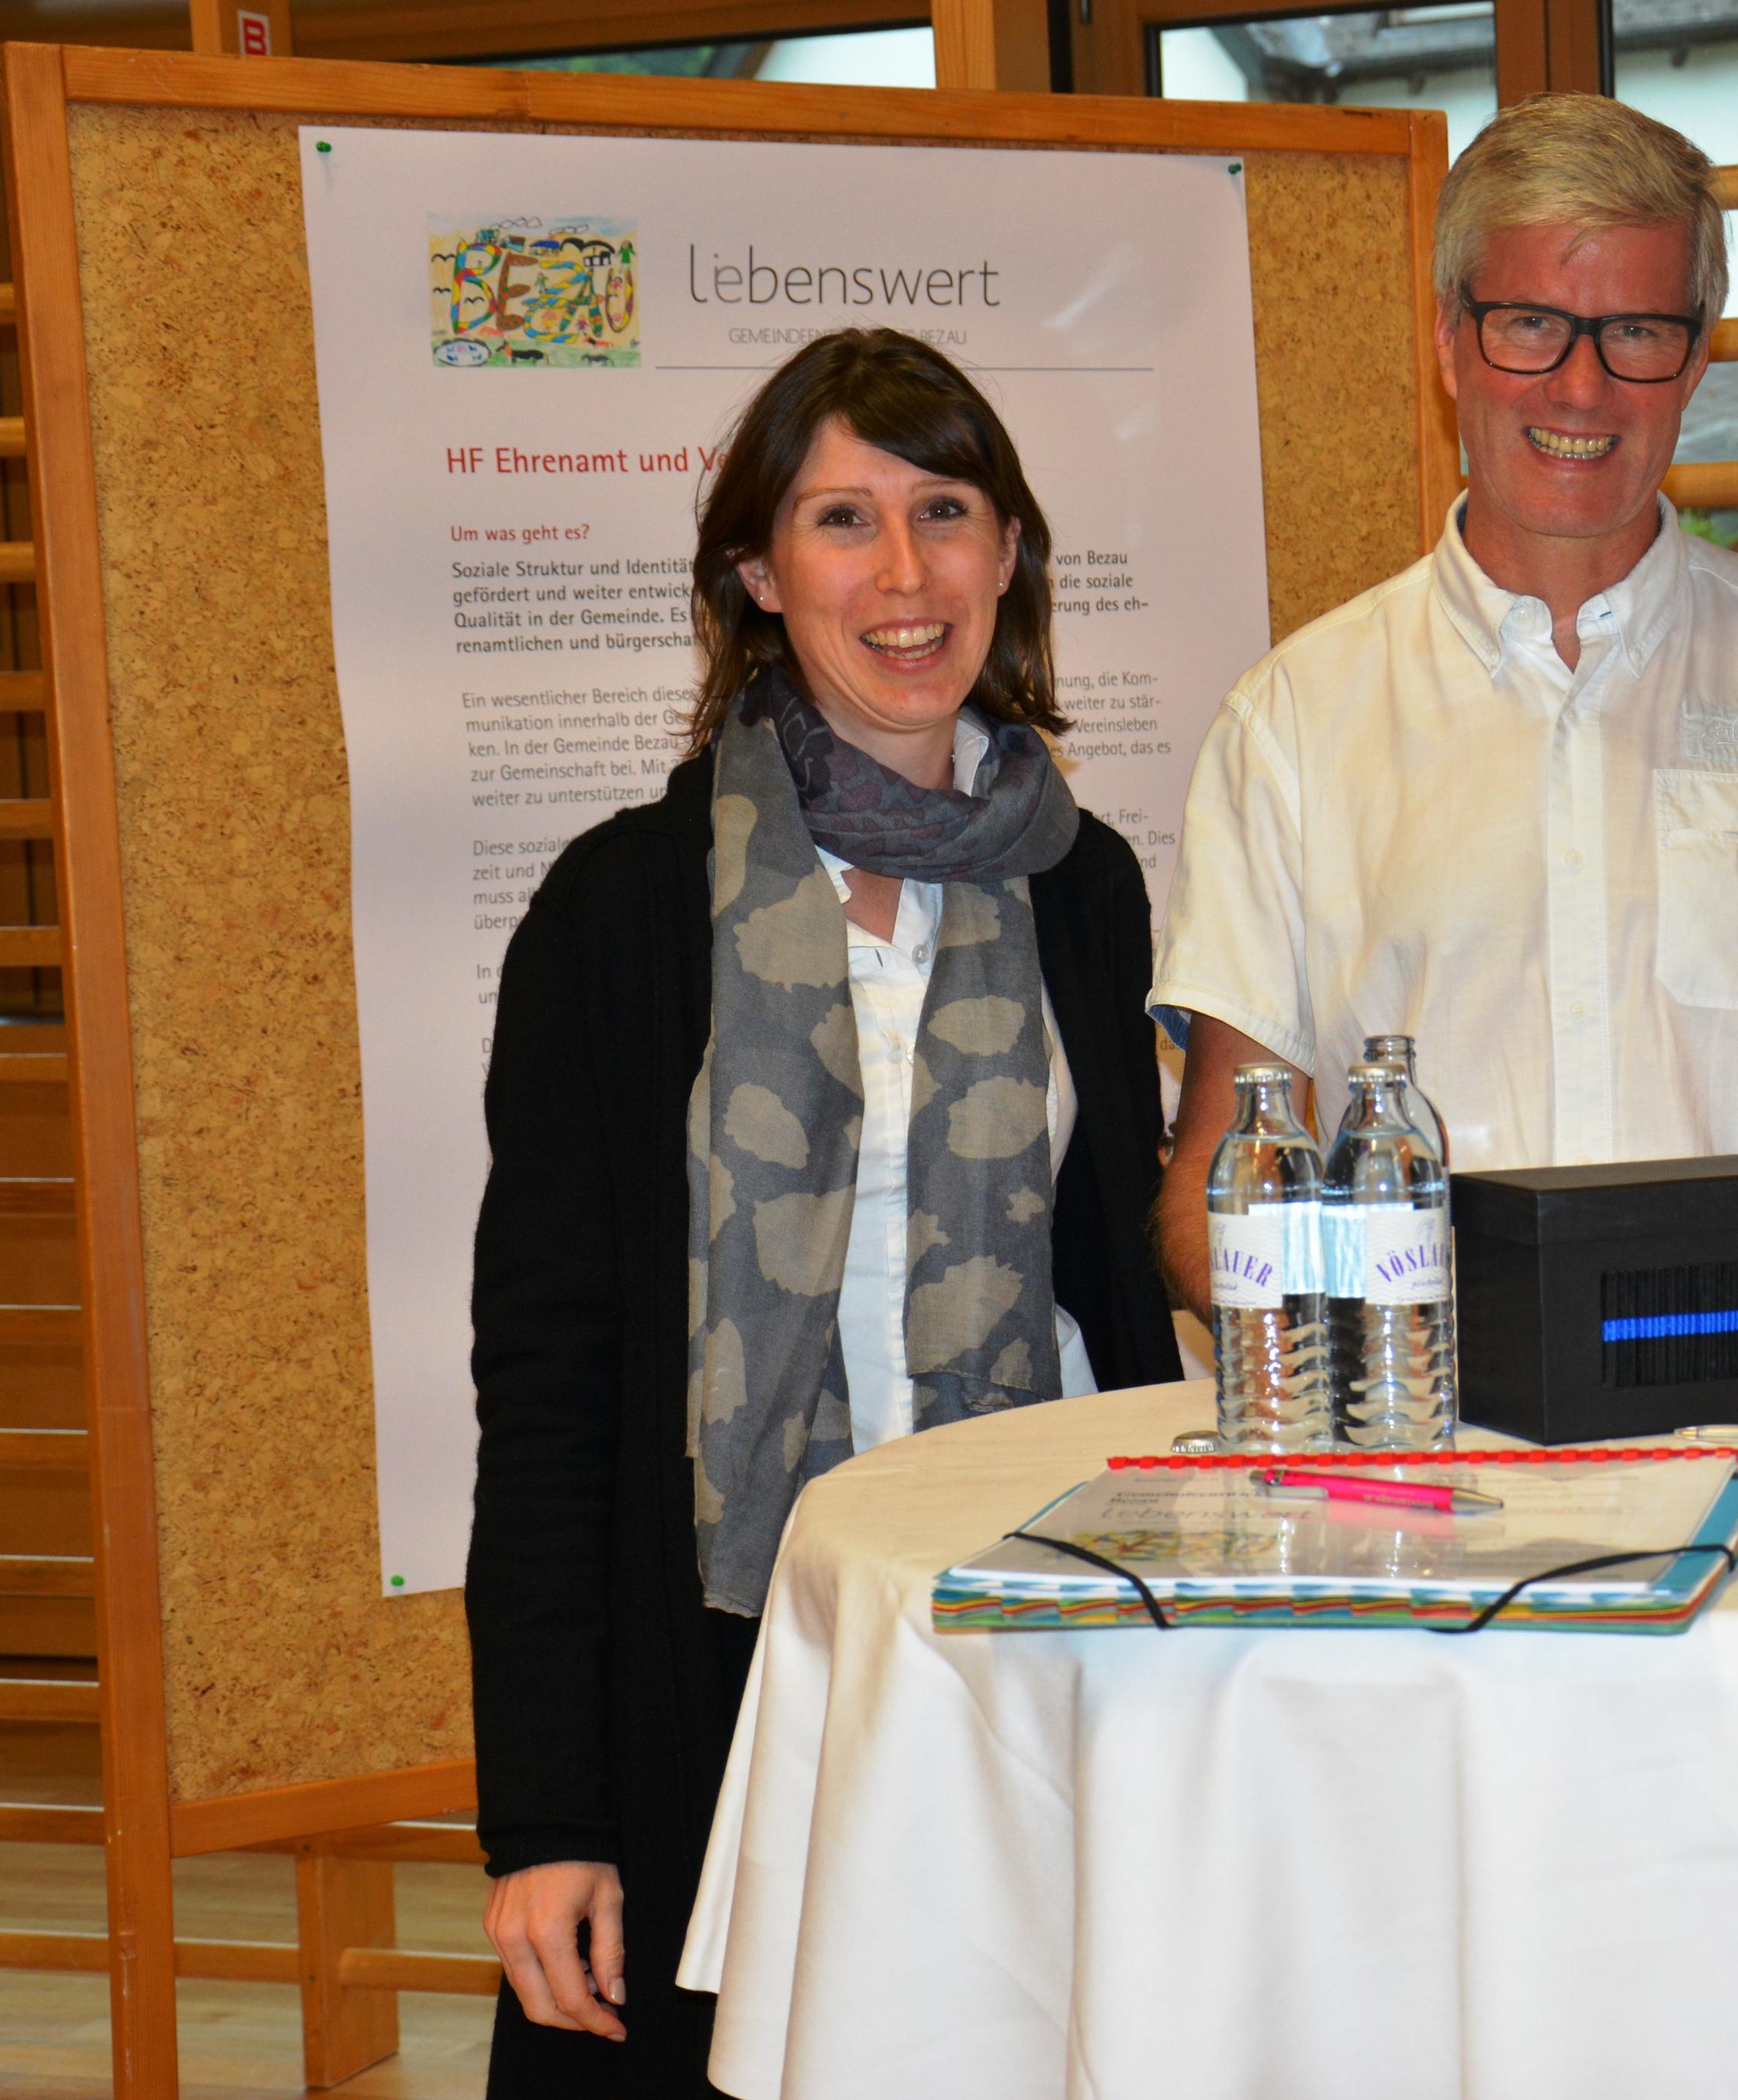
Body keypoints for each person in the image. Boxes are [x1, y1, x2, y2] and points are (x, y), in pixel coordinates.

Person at [466, 327, 1182, 2096]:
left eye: (945, 510)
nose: (904, 572)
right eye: (842, 518)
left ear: (1008, 553)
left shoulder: (1084, 884)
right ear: (759, 572)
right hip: (731, 1656)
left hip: (1039, 1628)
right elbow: (548, 1381)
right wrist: (545, 1813)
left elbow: (1109, 1293)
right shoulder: (622, 909)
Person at [1146, 92, 1738, 1312]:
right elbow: (1224, 1165)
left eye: (1635, 331)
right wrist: (1336, 1362)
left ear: (1696, 358)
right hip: (1431, 1405)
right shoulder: (1293, 723)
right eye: (1531, 324)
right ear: (1449, 342)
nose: (1582, 388)